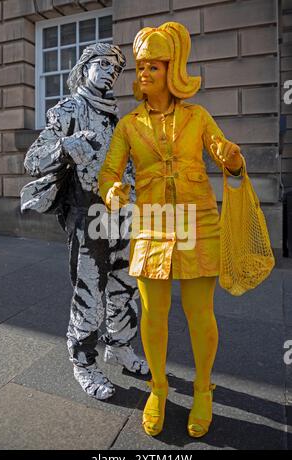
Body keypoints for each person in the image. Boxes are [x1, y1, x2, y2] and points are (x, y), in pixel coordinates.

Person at [98, 23, 245, 435]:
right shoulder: (128, 126)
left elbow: (225, 156)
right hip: (152, 224)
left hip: (198, 221)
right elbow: (109, 172)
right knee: (153, 313)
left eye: (153, 67)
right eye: (141, 66)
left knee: (200, 313)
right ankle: (158, 388)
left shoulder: (198, 117)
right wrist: (112, 191)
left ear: (171, 70)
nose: (143, 73)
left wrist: (232, 159)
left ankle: (202, 389)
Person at [21, 43, 149, 402]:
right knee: (90, 290)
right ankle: (83, 363)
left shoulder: (116, 117)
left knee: (125, 286)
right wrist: (65, 146)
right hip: (87, 214)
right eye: (103, 64)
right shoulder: (68, 110)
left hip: (122, 215)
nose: (110, 72)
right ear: (85, 67)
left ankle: (119, 346)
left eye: (116, 69)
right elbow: (32, 160)